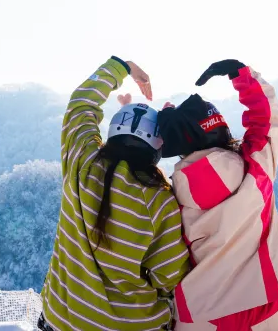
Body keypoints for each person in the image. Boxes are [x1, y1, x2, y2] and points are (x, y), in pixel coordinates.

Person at [39, 56, 191, 331]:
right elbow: (171, 276)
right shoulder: (159, 200)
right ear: (157, 150)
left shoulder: (82, 161)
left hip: (60, 319)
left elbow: (81, 104)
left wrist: (124, 66)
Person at [157, 59, 278, 331]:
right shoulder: (257, 168)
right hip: (265, 307)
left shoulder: (167, 196)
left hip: (201, 317)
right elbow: (267, 120)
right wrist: (241, 75)